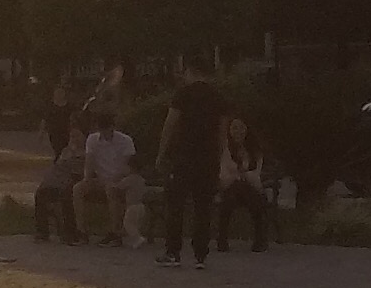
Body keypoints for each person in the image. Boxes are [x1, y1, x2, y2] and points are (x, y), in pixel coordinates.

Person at [155, 66, 228, 269]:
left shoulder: (183, 94)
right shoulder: (218, 97)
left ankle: (173, 251)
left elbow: (170, 124)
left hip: (184, 156)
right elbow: (222, 131)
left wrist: (161, 153)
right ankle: (200, 255)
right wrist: (221, 157)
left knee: (176, 204)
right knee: (203, 206)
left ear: (190, 72)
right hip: (208, 158)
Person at [209, 108, 273, 254]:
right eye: (234, 128)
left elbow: (255, 175)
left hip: (250, 188)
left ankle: (254, 238)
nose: (238, 132)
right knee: (235, 190)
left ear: (247, 129)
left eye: (242, 128)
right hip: (229, 187)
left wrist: (242, 175)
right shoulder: (225, 149)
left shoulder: (255, 151)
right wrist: (240, 175)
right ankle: (226, 238)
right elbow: (224, 174)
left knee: (246, 190)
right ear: (229, 130)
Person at [77, 106, 140, 246]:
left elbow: (127, 166)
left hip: (119, 179)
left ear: (112, 127)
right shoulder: (92, 140)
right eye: (102, 129)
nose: (104, 133)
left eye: (107, 129)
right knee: (78, 189)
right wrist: (87, 178)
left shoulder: (125, 141)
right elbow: (89, 161)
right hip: (100, 178)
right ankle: (81, 231)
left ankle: (114, 232)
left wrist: (114, 179)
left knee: (110, 190)